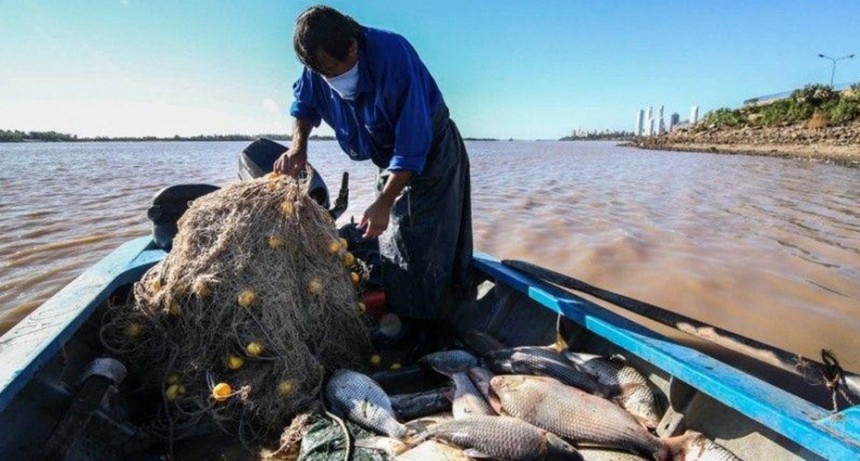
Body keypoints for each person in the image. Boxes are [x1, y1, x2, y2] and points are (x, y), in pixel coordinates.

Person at [275, 5, 473, 356]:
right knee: (394, 240)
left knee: (427, 241)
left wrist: (384, 201)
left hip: (432, 154)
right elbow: (303, 105)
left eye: (332, 70)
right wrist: (298, 148)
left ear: (351, 47)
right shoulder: (318, 66)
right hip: (388, 159)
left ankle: (429, 333)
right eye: (319, 72)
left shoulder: (392, 55)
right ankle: (406, 322)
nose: (328, 79)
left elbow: (413, 140)